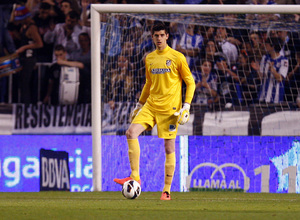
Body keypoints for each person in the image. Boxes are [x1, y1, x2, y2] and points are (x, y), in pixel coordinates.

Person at [113, 22, 196, 200]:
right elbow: (149, 84)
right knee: (131, 132)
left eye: (162, 35)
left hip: (170, 110)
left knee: (168, 147)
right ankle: (135, 176)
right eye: (156, 35)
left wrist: (187, 106)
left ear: (167, 36)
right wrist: (139, 104)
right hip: (151, 105)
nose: (159, 38)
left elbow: (190, 82)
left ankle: (166, 190)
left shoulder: (177, 57)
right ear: (152, 37)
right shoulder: (149, 58)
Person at [13, 5, 44, 104]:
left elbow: (39, 44)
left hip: (29, 58)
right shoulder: (25, 27)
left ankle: (26, 106)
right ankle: (23, 104)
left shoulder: (32, 28)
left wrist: (24, 47)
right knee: (21, 83)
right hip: (24, 58)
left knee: (25, 84)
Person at [258, 37, 289, 104]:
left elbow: (280, 78)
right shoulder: (265, 58)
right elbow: (260, 77)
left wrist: (272, 69)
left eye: (267, 44)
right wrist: (257, 69)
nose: (265, 45)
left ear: (273, 46)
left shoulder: (284, 60)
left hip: (276, 98)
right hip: (263, 95)